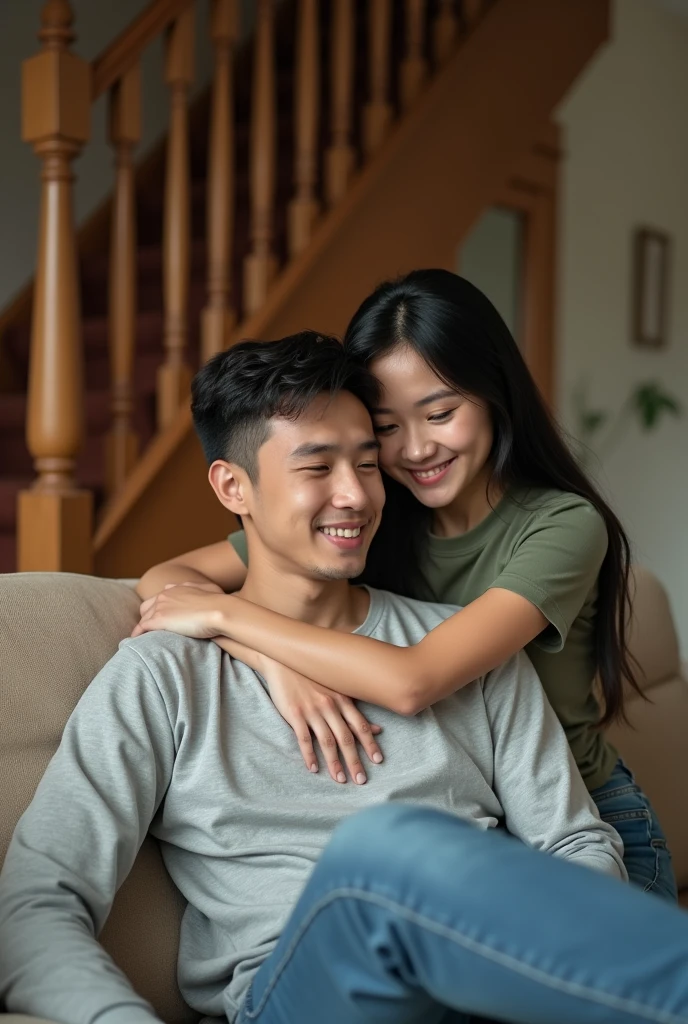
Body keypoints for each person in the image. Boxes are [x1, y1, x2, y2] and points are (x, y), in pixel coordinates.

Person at [0, 333, 630, 1024]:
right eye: (317, 467)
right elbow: (37, 904)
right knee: (379, 874)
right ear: (233, 486)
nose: (356, 496)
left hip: (495, 976)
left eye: (367, 462)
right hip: (307, 991)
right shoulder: (163, 673)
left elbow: (576, 843)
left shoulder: (464, 647)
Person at [136, 270, 676, 901]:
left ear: (495, 392)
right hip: (474, 831)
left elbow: (413, 680)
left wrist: (231, 622)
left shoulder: (560, 526)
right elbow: (168, 581)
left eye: (440, 413)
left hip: (582, 825)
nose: (416, 450)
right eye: (387, 428)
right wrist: (275, 666)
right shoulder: (369, 515)